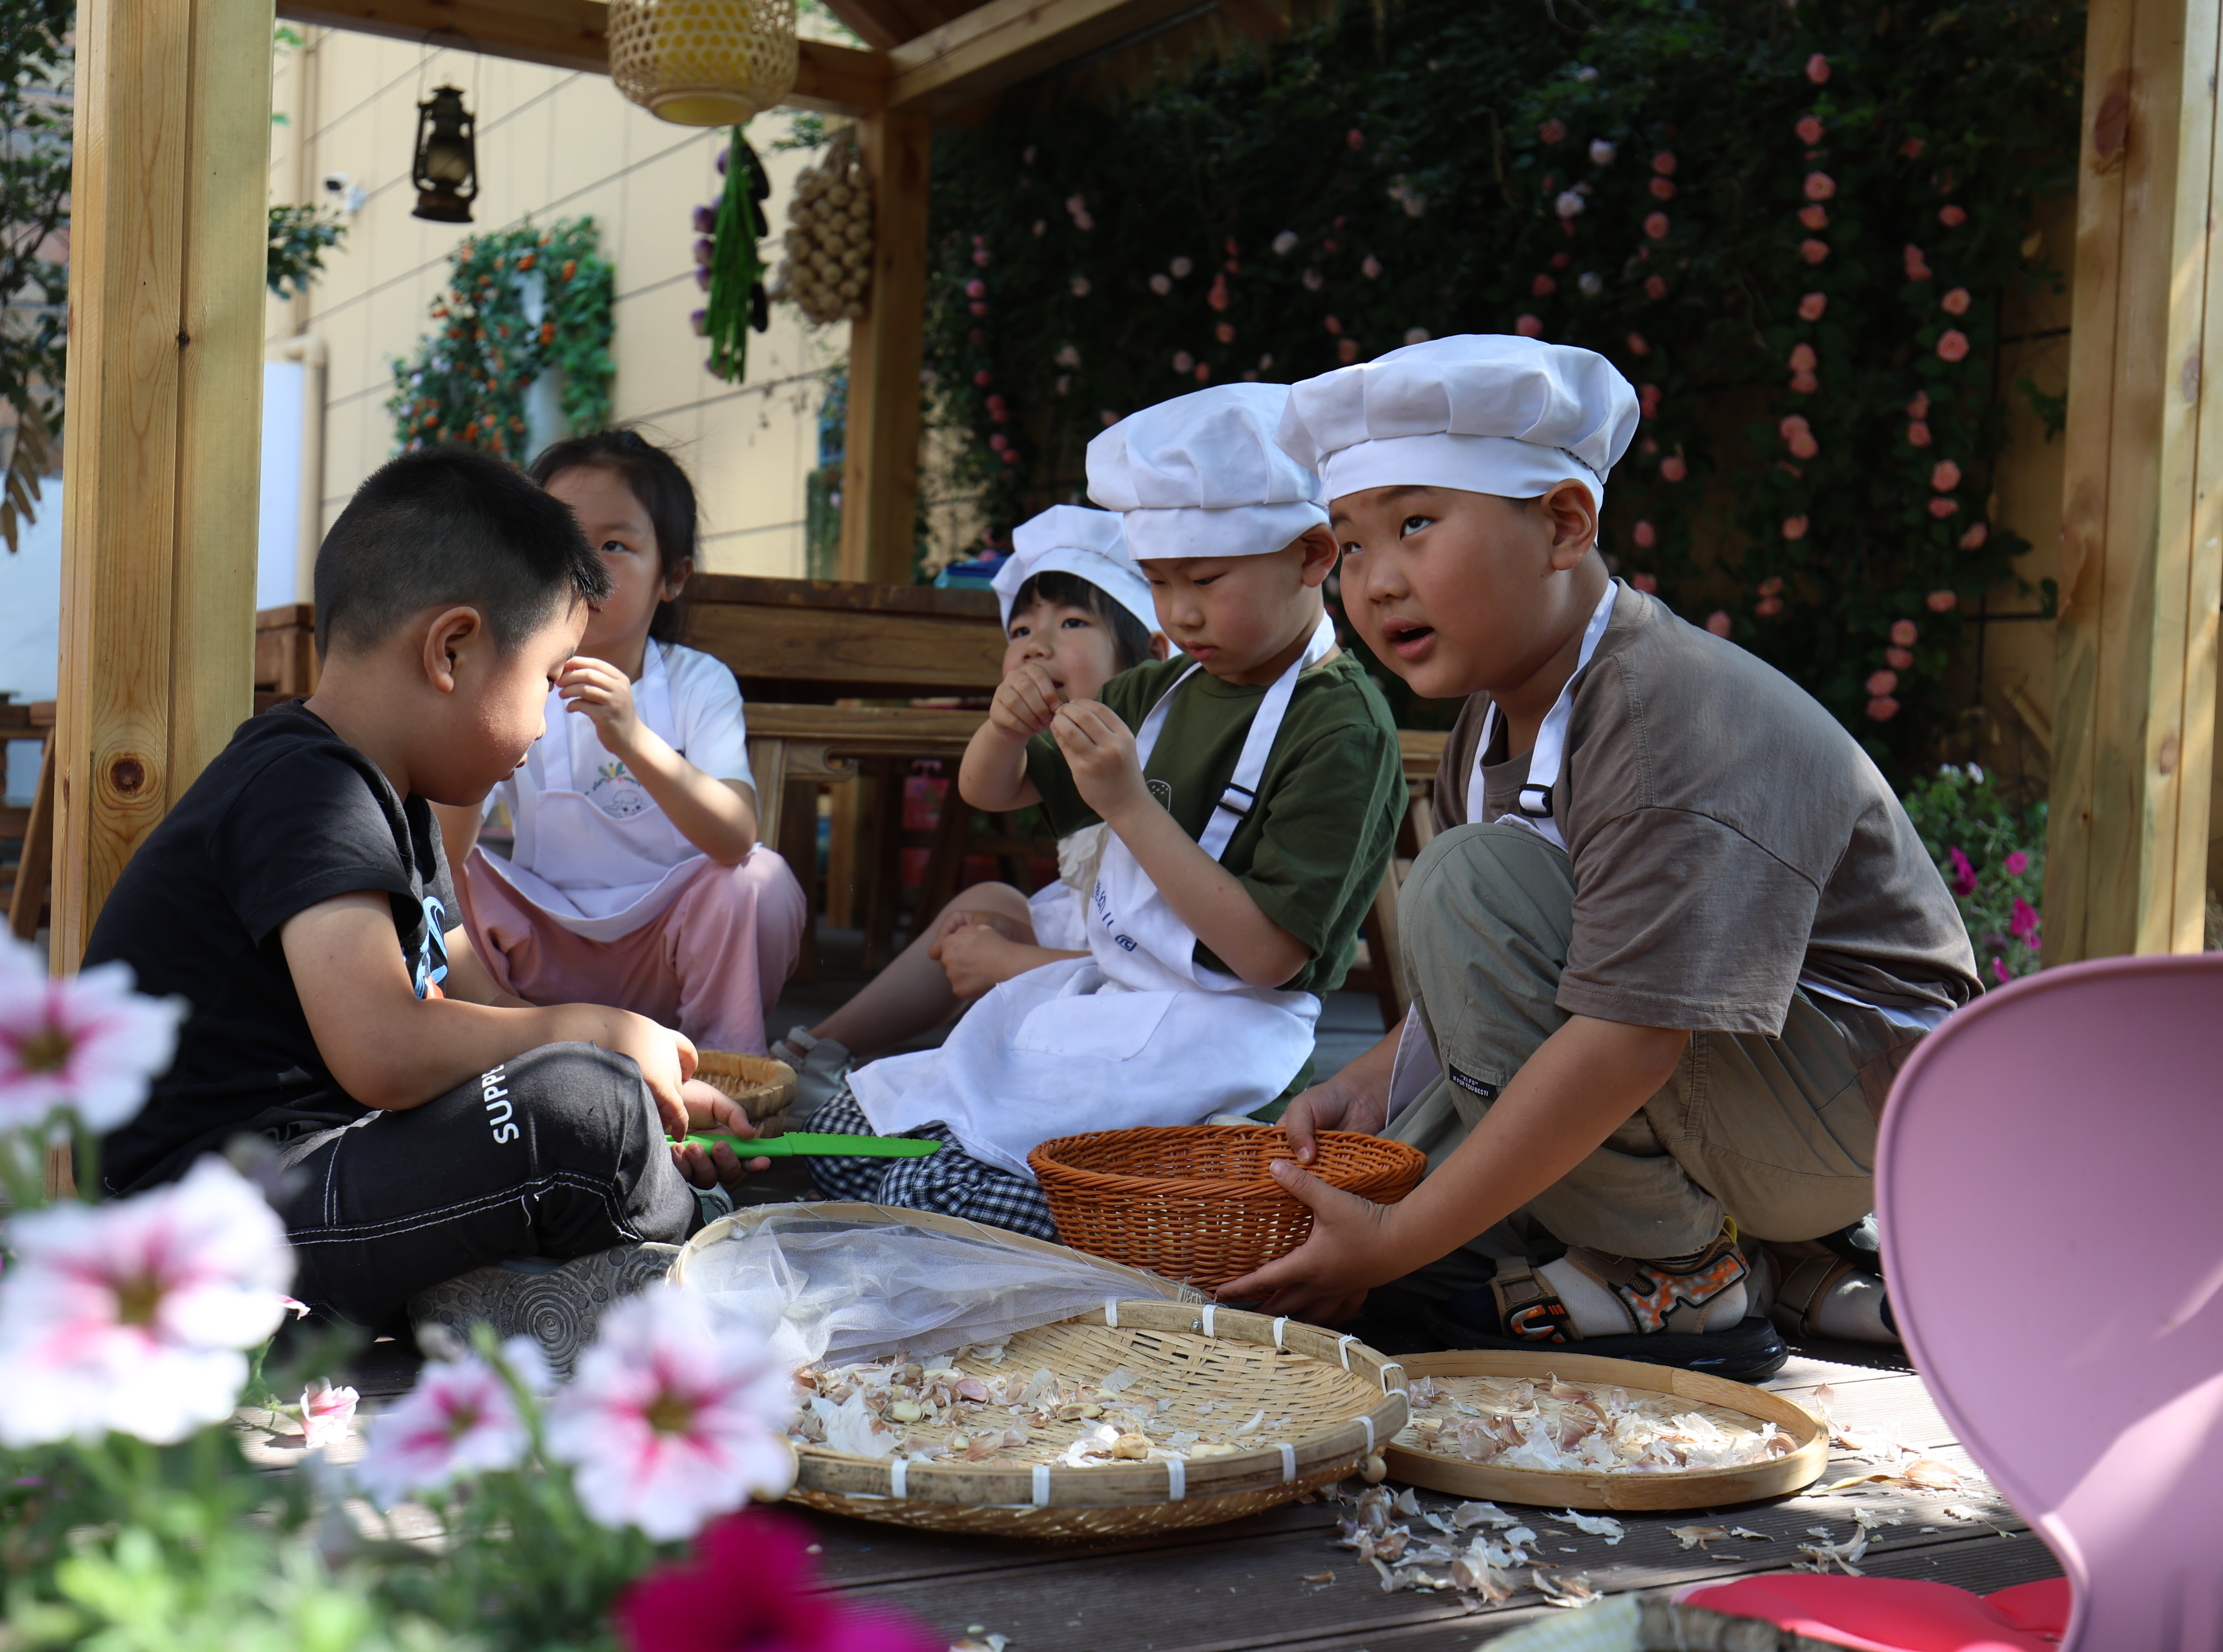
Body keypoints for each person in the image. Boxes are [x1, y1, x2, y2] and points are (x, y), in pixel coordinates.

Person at [1222, 334, 1978, 1376]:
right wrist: (1366, 1087)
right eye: (1351, 544)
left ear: (1564, 525)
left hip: (1862, 1117)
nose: (1377, 580)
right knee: (1398, 1155)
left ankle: (1676, 1278)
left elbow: (1630, 1038)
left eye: (1416, 524)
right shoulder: (1491, 727)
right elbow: (1510, 981)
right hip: (1752, 1095)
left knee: (1462, 892)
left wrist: (1400, 1238)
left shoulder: (1665, 715)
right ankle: (1757, 1255)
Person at [83, 447, 763, 1354]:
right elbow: (385, 1046)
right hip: (201, 1236)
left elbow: (459, 997)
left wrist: (641, 1082)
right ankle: (653, 1267)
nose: (542, 723)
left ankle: (610, 1242)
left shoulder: (393, 799)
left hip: (306, 1180)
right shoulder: (305, 786)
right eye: (545, 679)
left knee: (594, 1098)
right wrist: (595, 1034)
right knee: (579, 1108)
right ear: (452, 649)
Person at [799, 384, 1407, 1236]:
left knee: (1020, 1198)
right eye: (1159, 581)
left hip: (1221, 1035)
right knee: (852, 1130)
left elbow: (1268, 958)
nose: (1181, 612)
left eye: (1206, 579)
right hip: (1114, 996)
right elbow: (993, 792)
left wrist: (1127, 805)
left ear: (1312, 556)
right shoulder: (1161, 689)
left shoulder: (1340, 727)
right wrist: (1003, 733)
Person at [769, 504, 1166, 1109]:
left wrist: (1010, 962)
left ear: (1150, 655)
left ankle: (951, 1091)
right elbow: (985, 789)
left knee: (998, 959)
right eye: (1022, 631)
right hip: (1087, 943)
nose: (1037, 648)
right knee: (988, 904)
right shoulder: (1068, 742)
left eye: (1074, 623)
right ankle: (818, 1052)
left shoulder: (1166, 754)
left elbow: (1154, 961)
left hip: (1146, 987)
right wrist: (1004, 731)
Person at [442, 430, 808, 1055]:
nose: (583, 567)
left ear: (673, 576)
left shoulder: (698, 683)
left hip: (667, 959)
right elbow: (449, 850)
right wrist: (483, 720)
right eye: (561, 542)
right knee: (440, 875)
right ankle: (500, 1039)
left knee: (760, 883)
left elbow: (735, 835)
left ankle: (720, 1069)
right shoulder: (505, 680)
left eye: (614, 545)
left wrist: (633, 737)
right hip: (541, 955)